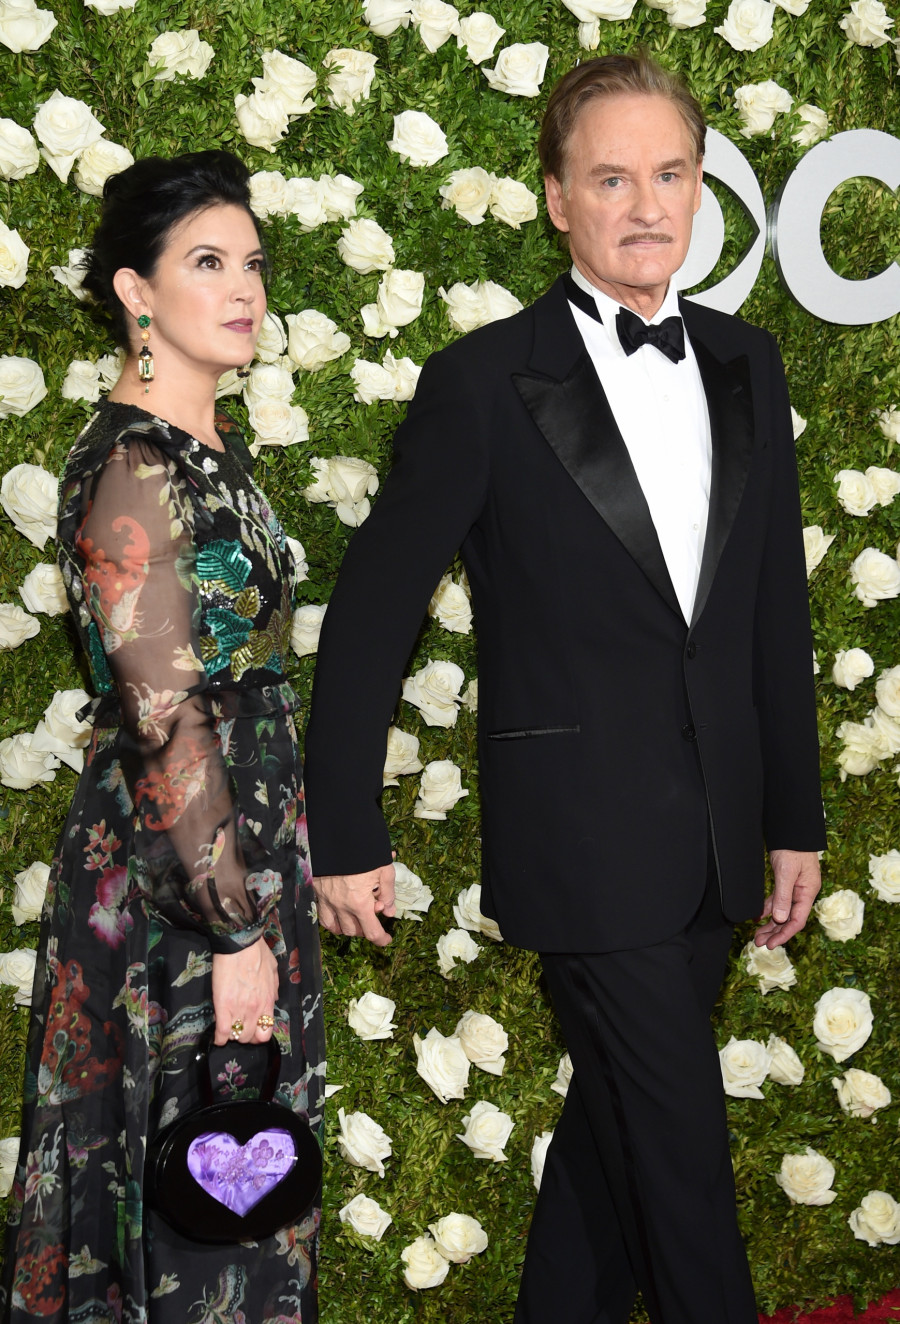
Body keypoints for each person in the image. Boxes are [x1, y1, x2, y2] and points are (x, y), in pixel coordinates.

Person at [303, 53, 825, 1324]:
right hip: (589, 848)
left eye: (670, 173)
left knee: (612, 1156)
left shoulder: (751, 360)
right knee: (687, 1177)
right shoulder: (484, 382)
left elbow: (770, 613)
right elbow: (373, 614)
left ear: (701, 187)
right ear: (555, 199)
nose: (648, 206)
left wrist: (795, 815)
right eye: (611, 177)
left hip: (717, 844)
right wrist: (347, 832)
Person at [1, 152, 324, 1323]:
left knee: (236, 1170)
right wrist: (234, 921)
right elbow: (164, 717)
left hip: (234, 851)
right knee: (183, 1182)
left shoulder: (213, 448)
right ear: (137, 293)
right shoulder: (134, 463)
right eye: (206, 262)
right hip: (176, 876)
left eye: (252, 263)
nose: (243, 287)